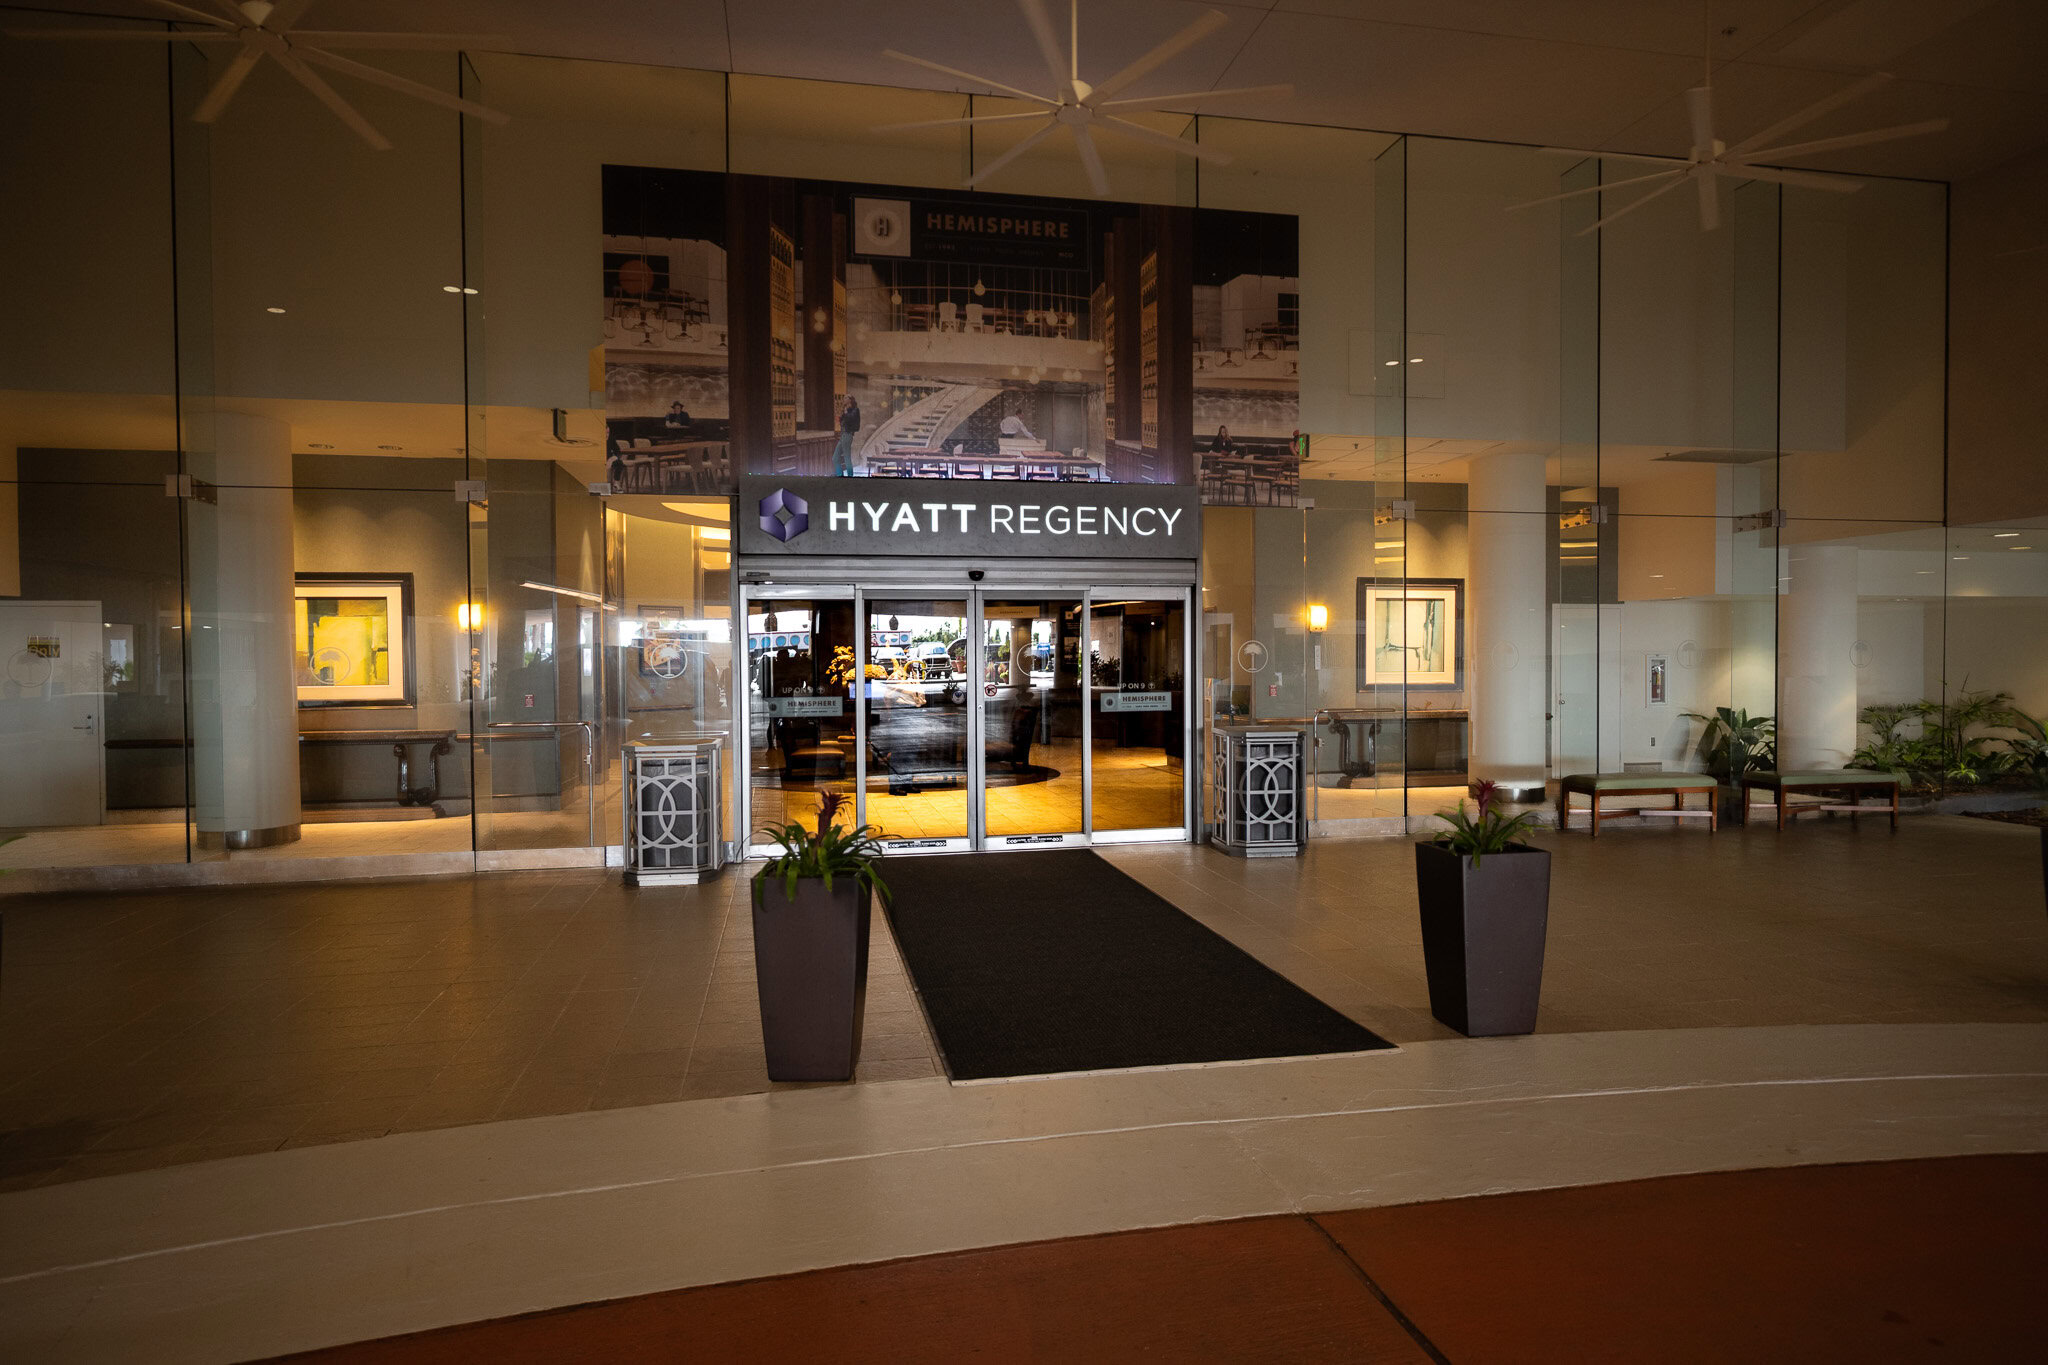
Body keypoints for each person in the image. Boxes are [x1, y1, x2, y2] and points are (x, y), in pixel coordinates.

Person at [832, 394, 859, 476]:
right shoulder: (845, 410)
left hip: (848, 435)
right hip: (843, 435)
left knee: (847, 457)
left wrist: (846, 413)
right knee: (835, 458)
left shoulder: (855, 410)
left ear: (850, 400)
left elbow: (854, 423)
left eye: (845, 398)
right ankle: (840, 475)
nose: (844, 399)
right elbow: (842, 422)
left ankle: (850, 476)